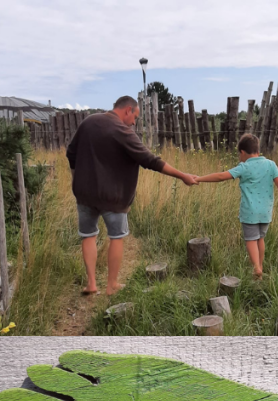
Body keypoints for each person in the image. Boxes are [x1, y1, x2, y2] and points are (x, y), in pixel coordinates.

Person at [66, 96, 198, 296]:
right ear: (128, 110)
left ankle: (91, 284)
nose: (134, 123)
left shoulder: (88, 122)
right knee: (116, 238)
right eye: (134, 117)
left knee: (88, 236)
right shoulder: (122, 131)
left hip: (84, 194)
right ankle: (111, 285)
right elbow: (150, 160)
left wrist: (76, 180)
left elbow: (71, 153)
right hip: (113, 197)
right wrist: (182, 176)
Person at [195, 134, 278, 279]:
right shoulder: (271, 164)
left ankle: (256, 268)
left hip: (250, 212)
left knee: (251, 240)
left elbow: (221, 176)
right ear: (257, 150)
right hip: (265, 211)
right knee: (260, 239)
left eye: (239, 155)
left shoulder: (244, 167)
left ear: (242, 152)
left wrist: (199, 179)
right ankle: (260, 267)